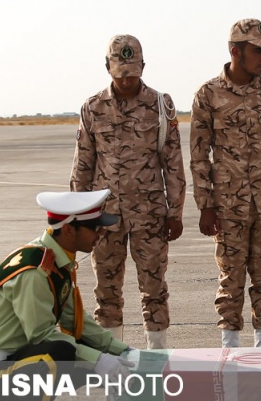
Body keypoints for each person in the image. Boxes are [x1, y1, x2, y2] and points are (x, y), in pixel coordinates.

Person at [0, 189, 134, 401]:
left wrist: (121, 350)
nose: (100, 233)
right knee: (61, 351)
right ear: (68, 229)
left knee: (94, 354)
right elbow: (41, 335)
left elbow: (74, 321)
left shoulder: (55, 259)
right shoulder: (36, 272)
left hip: (20, 357)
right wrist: (98, 360)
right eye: (94, 228)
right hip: (0, 371)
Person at [70, 34, 186, 350]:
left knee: (154, 287)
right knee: (106, 289)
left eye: (133, 72)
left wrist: (175, 212)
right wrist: (80, 215)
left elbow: (173, 163)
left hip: (150, 215)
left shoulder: (161, 106)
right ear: (108, 67)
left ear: (143, 66)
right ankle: (111, 356)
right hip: (104, 215)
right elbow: (83, 164)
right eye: (121, 73)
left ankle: (157, 353)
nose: (127, 80)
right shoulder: (92, 108)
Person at [190, 18, 261, 348]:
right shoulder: (208, 94)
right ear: (236, 51)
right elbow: (198, 155)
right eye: (258, 51)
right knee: (230, 275)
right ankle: (230, 342)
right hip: (227, 204)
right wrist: (205, 206)